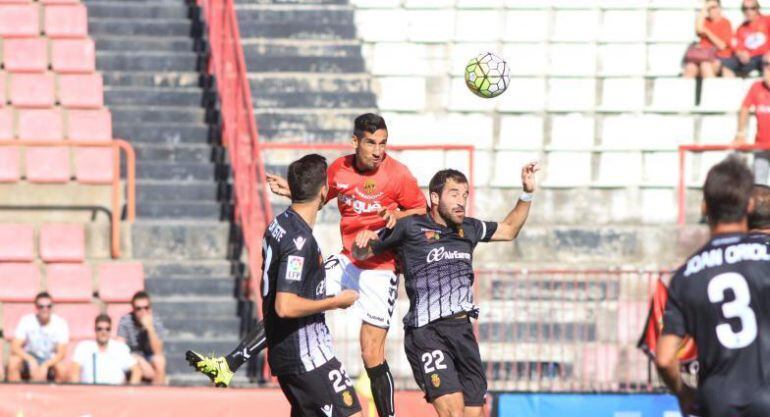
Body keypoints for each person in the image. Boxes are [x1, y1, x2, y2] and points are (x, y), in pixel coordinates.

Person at [190, 114, 426, 417]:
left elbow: (421, 210)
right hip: (349, 259)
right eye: (371, 143)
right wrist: (291, 191)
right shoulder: (339, 169)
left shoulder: (398, 175)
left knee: (371, 351)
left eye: (382, 143)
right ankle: (230, 363)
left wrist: (398, 218)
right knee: (295, 298)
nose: (378, 151)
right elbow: (317, 196)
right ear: (355, 142)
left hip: (381, 267)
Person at [351, 164, 538, 417]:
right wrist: (365, 237)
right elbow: (363, 251)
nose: (461, 201)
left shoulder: (469, 229)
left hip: (462, 333)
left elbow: (509, 229)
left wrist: (526, 193)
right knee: (453, 413)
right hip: (427, 333)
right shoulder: (410, 228)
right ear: (435, 197)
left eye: (464, 195)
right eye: (454, 194)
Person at [656, 155, 770, 417]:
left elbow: (664, 358)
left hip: (717, 402)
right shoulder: (765, 260)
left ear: (705, 207)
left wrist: (683, 392)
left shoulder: (688, 274)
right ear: (749, 205)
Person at [266, 154, 365, 416]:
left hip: (287, 353)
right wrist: (336, 301)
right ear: (324, 191)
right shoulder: (300, 242)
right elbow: (285, 305)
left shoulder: (279, 223)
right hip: (308, 355)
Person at [7, 292, 69, 382]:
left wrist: (46, 365)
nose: (45, 309)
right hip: (29, 356)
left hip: (50, 359)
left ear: (52, 307)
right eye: (41, 306)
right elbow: (15, 346)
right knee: (13, 363)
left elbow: (61, 353)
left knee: (62, 369)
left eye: (49, 306)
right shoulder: (27, 321)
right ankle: (16, 393)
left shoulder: (60, 323)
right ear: (36, 307)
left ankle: (57, 394)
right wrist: (31, 360)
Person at [70, 314, 139, 385]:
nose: (104, 332)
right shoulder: (84, 347)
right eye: (100, 329)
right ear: (95, 330)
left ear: (110, 330)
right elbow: (74, 371)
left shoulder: (120, 348)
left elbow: (136, 370)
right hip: (89, 392)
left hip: (115, 393)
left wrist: (129, 392)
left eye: (107, 329)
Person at [117, 291, 167, 385]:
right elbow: (119, 349)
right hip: (131, 357)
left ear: (150, 309)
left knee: (160, 361)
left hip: (149, 357)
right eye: (138, 309)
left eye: (146, 308)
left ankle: (159, 395)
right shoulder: (126, 321)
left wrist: (150, 328)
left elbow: (158, 351)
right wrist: (138, 360)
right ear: (133, 309)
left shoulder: (155, 321)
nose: (143, 312)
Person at [735, 52, 770, 184]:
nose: (767, 69)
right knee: (759, 185)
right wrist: (740, 132)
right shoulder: (757, 87)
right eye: (765, 65)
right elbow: (744, 108)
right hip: (761, 145)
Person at [684, 0, 734, 78]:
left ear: (720, 8)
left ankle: (711, 89)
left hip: (718, 58)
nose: (712, 10)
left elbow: (722, 46)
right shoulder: (705, 21)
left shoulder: (726, 23)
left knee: (705, 66)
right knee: (690, 67)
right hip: (702, 57)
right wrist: (704, 8)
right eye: (709, 8)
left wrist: (707, 32)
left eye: (714, 7)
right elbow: (699, 29)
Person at [723, 0, 770, 77]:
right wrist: (740, 54)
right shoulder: (741, 28)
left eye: (752, 8)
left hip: (764, 57)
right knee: (727, 66)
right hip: (749, 59)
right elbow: (737, 47)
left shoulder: (767, 20)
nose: (749, 11)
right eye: (745, 8)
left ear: (758, 9)